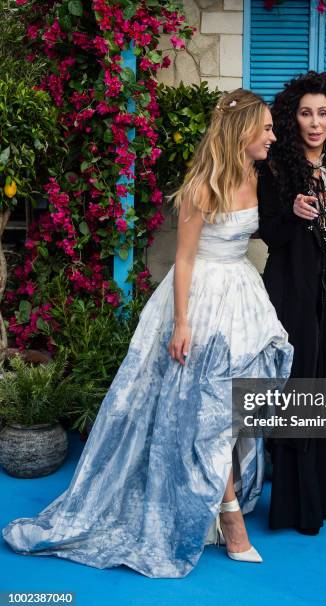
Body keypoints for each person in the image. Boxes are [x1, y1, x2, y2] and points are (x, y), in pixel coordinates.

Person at [3, 89, 293, 577]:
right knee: (207, 414)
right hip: (200, 299)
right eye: (265, 127)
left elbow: (257, 230)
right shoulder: (202, 186)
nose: (272, 134)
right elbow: (182, 259)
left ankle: (215, 510)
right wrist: (182, 323)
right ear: (241, 130)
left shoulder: (257, 174)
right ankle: (230, 519)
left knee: (230, 407)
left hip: (242, 295)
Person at [258, 72, 326, 534]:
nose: (314, 123)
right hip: (290, 294)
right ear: (291, 118)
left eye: (322, 113)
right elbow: (268, 236)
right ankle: (294, 504)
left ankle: (322, 492)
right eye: (305, 113)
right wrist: (291, 215)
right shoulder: (275, 167)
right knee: (295, 385)